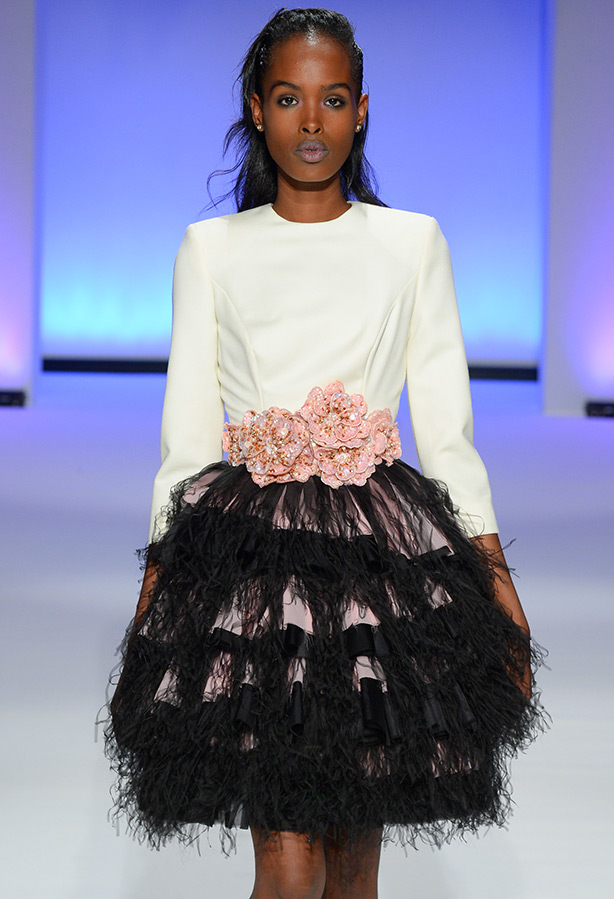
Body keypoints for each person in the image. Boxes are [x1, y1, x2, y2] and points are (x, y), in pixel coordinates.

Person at [105, 9, 549, 898]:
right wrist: (160, 581)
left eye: (333, 99)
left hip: (375, 564)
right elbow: (185, 439)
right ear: (257, 109)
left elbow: (448, 433)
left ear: (362, 109)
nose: (312, 122)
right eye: (288, 99)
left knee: (352, 860)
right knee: (288, 857)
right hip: (253, 567)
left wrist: (496, 577)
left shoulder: (412, 243)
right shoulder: (211, 250)